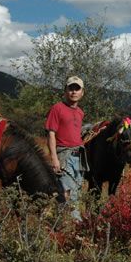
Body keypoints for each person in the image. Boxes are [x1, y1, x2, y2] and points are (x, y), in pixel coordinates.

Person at [46, 76, 86, 221]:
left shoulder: (80, 112)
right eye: (71, 88)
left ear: (82, 92)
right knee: (69, 192)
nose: (74, 92)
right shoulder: (57, 108)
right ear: (65, 90)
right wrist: (54, 158)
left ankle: (61, 224)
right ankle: (75, 225)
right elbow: (51, 134)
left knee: (76, 192)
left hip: (78, 157)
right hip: (64, 156)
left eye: (77, 88)